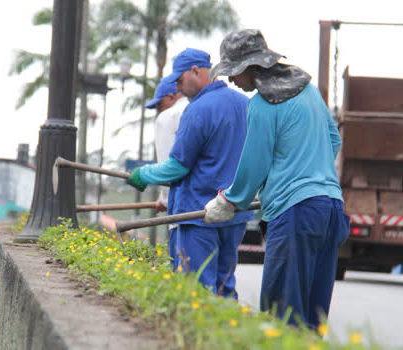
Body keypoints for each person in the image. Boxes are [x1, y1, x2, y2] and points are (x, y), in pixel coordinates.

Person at [204, 29, 350, 328]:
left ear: (249, 67)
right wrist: (303, 166)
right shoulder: (308, 90)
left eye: (233, 72)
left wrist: (229, 200)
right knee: (312, 311)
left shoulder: (261, 105)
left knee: (281, 311)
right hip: (330, 208)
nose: (231, 79)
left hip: (295, 213)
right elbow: (333, 140)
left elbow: (253, 165)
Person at [127, 48, 252, 298]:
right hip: (235, 213)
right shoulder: (245, 105)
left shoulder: (198, 110)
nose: (179, 89)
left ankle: (195, 338)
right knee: (224, 286)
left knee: (195, 290)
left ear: (196, 71)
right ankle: (226, 335)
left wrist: (143, 175)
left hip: (199, 215)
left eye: (180, 81)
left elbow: (177, 167)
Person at [144, 78, 188, 268]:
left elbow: (168, 166)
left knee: (185, 275)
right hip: (218, 208)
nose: (159, 111)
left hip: (183, 210)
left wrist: (164, 199)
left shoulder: (169, 116)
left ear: (172, 96)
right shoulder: (206, 109)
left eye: (160, 104)